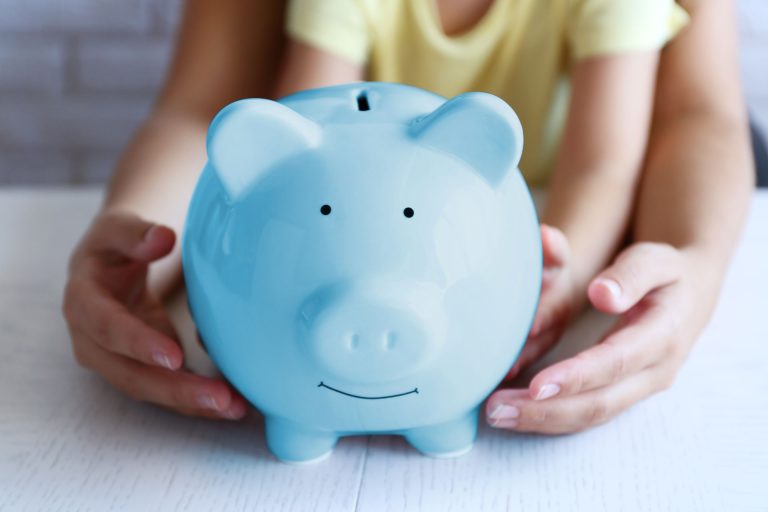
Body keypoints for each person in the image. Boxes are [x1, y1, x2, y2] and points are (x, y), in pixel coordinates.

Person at [62, 0, 754, 431]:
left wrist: (559, 280)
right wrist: (145, 234)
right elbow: (289, 150)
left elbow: (626, 149)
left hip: (536, 227)